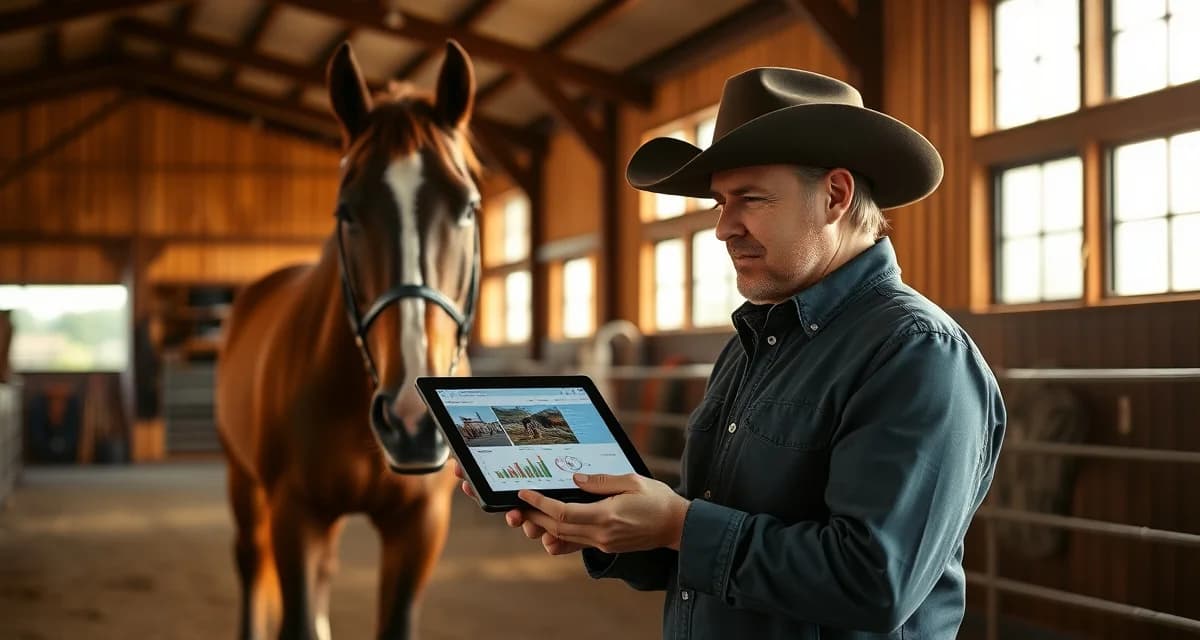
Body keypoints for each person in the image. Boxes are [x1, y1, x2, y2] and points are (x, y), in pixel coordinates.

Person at [455, 66, 1006, 639]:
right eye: (721, 201)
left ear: (835, 196)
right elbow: (710, 549)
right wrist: (607, 525)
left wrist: (678, 526)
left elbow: (873, 581)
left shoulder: (916, 352)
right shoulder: (752, 346)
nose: (724, 228)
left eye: (750, 199)